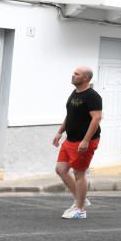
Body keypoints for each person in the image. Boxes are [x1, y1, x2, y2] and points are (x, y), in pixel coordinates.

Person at [52, 66, 103, 219]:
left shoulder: (93, 96)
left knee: (79, 174)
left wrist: (86, 140)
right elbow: (70, 115)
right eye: (73, 73)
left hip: (84, 141)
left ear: (86, 78)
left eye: (77, 74)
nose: (73, 75)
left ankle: (80, 210)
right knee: (61, 169)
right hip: (70, 139)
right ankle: (80, 198)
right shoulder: (75, 93)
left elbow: (96, 118)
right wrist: (60, 131)